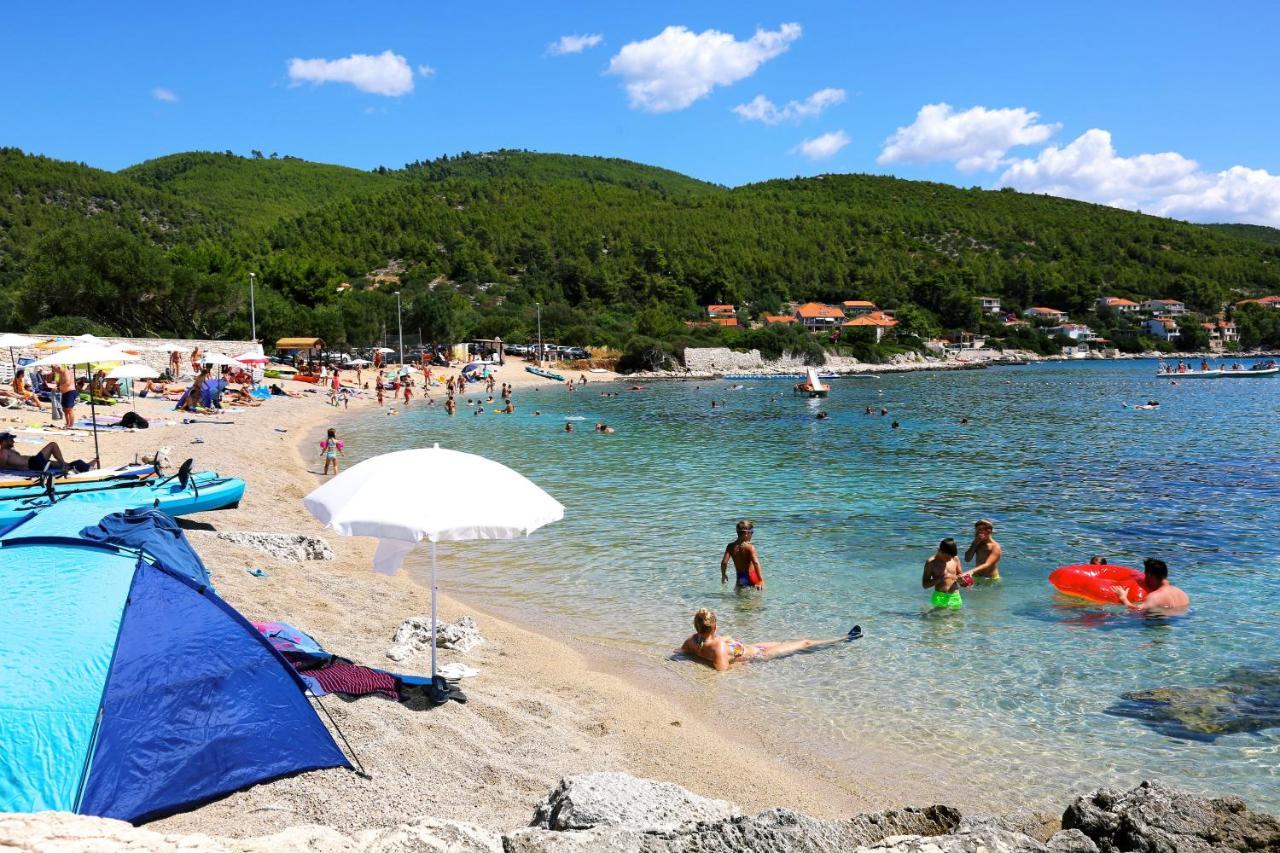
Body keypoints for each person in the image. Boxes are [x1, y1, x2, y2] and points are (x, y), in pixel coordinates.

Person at [680, 608, 859, 672]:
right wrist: (742, 663)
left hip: (753, 647)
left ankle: (843, 638)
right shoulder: (718, 647)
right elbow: (722, 670)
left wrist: (726, 642)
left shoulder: (692, 640)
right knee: (804, 643)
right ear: (715, 627)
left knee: (786, 642)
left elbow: (682, 652)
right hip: (757, 655)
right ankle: (844, 638)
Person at [1113, 558, 1190, 612]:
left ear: (1149, 575)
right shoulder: (1182, 593)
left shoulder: (1154, 597)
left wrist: (1123, 598)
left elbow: (1136, 610)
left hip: (1156, 628)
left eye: (1145, 575)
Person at [0, 432, 95, 473]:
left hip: (34, 462)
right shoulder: (3, 452)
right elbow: (3, 468)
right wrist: (21, 468)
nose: (13, 441)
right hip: (33, 463)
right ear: (3, 442)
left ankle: (86, 467)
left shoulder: (9, 450)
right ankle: (64, 466)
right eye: (10, 440)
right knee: (52, 445)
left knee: (63, 464)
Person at [922, 538, 966, 609]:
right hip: (940, 597)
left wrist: (962, 581)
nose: (949, 560)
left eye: (951, 557)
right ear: (940, 551)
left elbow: (963, 582)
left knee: (957, 620)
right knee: (938, 619)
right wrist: (942, 578)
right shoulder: (931, 562)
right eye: (946, 557)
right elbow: (925, 585)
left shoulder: (955, 559)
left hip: (955, 596)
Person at [721, 520, 764, 589]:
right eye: (752, 532)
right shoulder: (750, 547)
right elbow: (756, 563)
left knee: (740, 598)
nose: (752, 535)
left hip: (741, 577)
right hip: (752, 576)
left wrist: (723, 574)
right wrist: (761, 580)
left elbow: (724, 563)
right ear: (746, 533)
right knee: (756, 599)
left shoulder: (730, 546)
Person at [53, 364, 77, 428]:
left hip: (70, 391)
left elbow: (68, 383)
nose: (55, 371)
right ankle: (67, 423)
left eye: (55, 370)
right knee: (65, 409)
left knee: (69, 409)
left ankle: (71, 425)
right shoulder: (60, 373)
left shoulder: (66, 372)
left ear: (58, 368)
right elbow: (60, 382)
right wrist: (57, 385)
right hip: (64, 392)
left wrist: (59, 388)